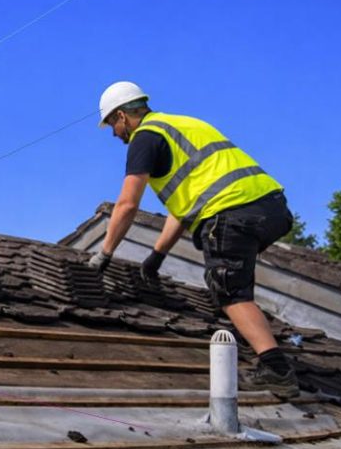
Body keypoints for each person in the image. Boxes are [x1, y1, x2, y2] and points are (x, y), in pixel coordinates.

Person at [88, 81, 298, 398]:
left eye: (112, 125)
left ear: (122, 116)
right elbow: (186, 208)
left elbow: (127, 204)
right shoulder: (183, 124)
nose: (114, 135)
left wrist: (104, 253)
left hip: (231, 211)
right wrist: (157, 256)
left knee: (228, 289)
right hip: (271, 208)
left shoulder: (145, 138)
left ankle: (276, 369)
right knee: (236, 274)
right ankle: (255, 332)